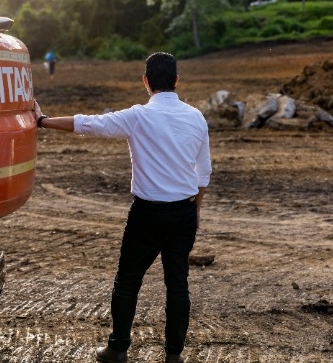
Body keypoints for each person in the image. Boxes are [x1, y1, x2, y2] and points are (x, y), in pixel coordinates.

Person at [34, 52, 210, 363]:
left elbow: (90, 124)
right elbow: (203, 172)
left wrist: (43, 121)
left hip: (147, 213)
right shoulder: (196, 117)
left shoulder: (138, 116)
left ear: (145, 82)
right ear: (177, 81)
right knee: (177, 283)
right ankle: (173, 356)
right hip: (183, 212)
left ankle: (118, 348)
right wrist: (196, 209)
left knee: (128, 280)